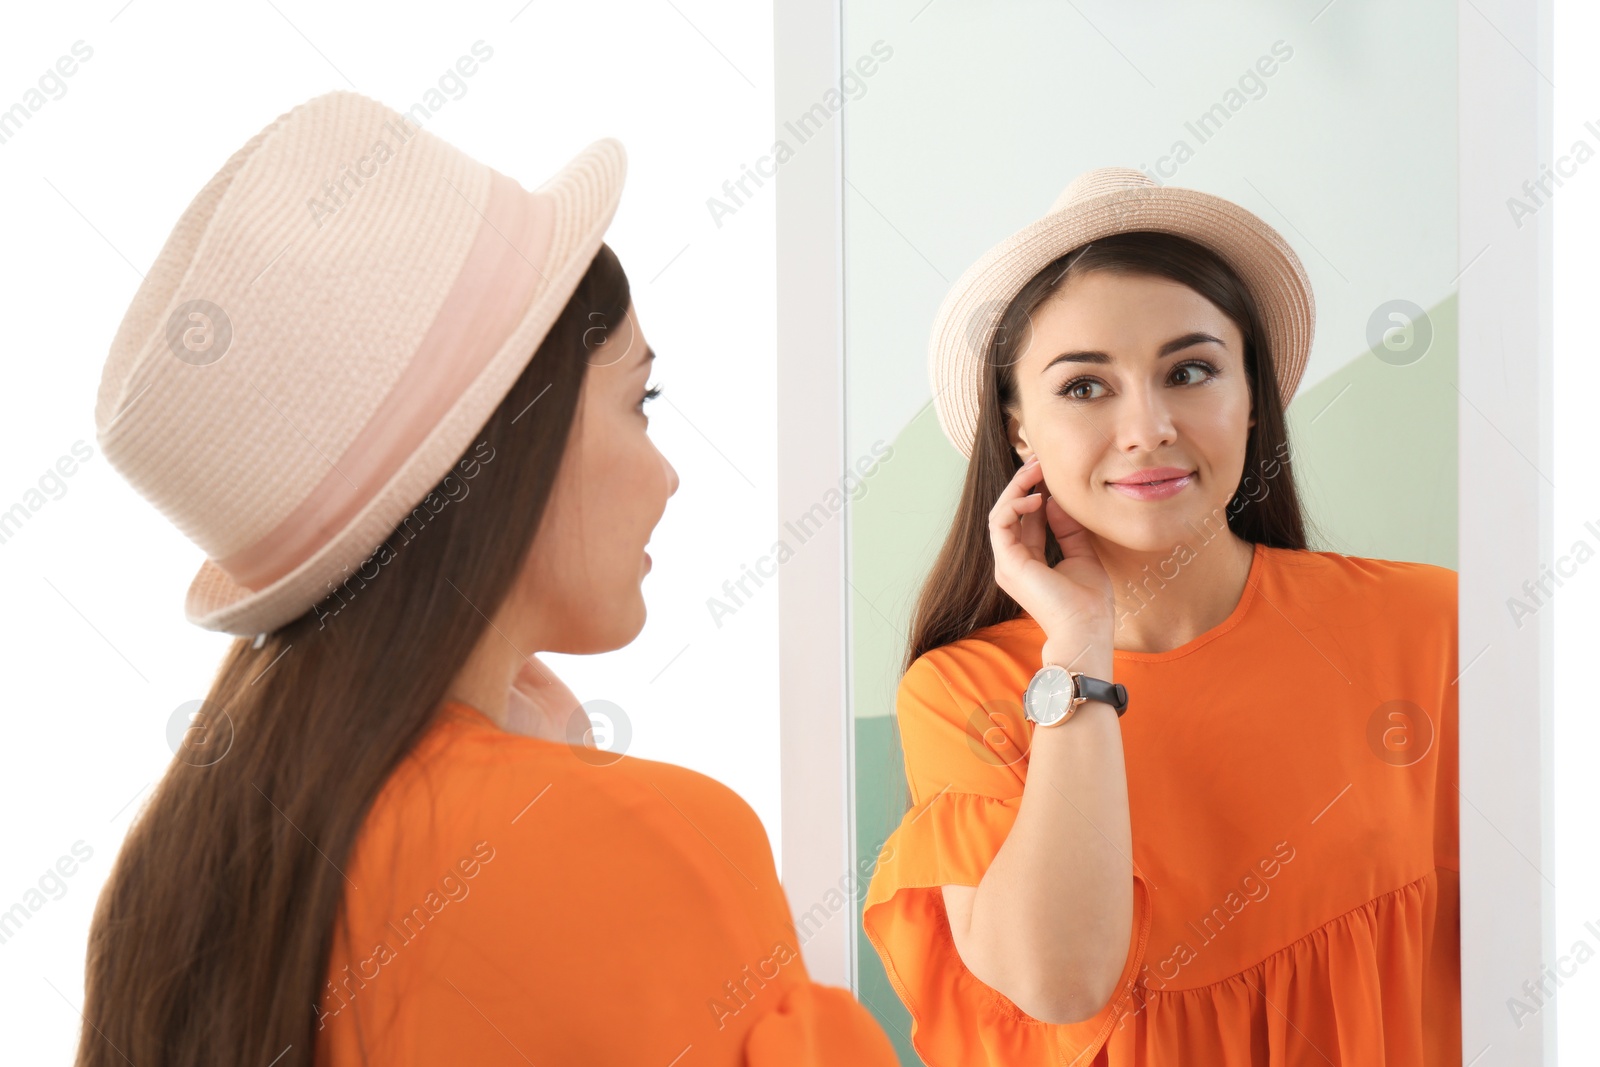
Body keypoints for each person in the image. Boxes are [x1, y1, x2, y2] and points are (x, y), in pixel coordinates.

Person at [77, 89, 897, 1067]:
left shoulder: (175, 880)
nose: (668, 473)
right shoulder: (646, 839)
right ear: (514, 444)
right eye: (643, 399)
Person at [861, 168, 1460, 1065]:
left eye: (1189, 371)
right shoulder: (964, 693)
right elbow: (1060, 980)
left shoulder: (1427, 624)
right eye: (1084, 387)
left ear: (1251, 397)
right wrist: (1079, 645)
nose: (1147, 427)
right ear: (1019, 430)